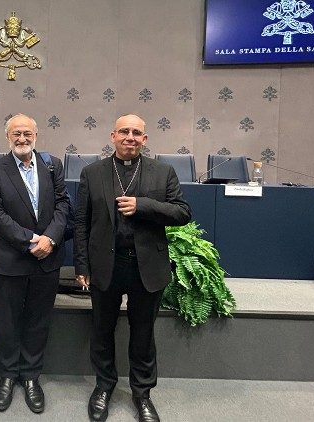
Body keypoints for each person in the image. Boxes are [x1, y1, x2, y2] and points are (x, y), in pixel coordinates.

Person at [74, 114, 191, 422]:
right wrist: (82, 265)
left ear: (145, 139)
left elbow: (182, 213)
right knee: (102, 331)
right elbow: (81, 223)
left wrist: (143, 206)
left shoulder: (163, 172)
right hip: (104, 266)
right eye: (124, 131)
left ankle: (142, 394)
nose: (130, 136)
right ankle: (104, 386)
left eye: (136, 132)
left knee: (143, 334)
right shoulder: (92, 172)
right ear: (113, 136)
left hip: (146, 267)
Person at [0, 113, 73, 414]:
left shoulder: (52, 165)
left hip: (48, 258)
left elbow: (63, 205)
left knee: (38, 319)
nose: (22, 139)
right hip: (12, 258)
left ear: (36, 134)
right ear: (7, 136)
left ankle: (31, 376)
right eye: (16, 134)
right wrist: (30, 241)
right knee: (8, 320)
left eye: (27, 133)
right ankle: (8, 375)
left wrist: (49, 239)